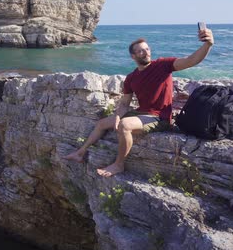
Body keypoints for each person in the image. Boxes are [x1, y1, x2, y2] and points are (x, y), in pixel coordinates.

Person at [63, 27, 215, 177]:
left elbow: (191, 60)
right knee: (101, 123)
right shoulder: (131, 78)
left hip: (159, 117)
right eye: (141, 50)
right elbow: (124, 104)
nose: (146, 52)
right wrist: (117, 115)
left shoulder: (163, 65)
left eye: (147, 49)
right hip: (140, 113)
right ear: (133, 56)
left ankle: (118, 164)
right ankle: (80, 152)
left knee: (124, 126)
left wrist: (207, 44)